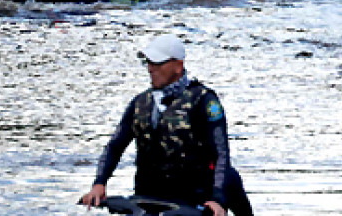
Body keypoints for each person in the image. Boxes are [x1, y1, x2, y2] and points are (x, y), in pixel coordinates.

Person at [80, 35, 252, 216]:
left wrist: (218, 199)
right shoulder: (140, 103)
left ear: (178, 65)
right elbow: (115, 146)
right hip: (149, 196)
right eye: (148, 63)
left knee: (232, 181)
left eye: (157, 63)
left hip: (196, 197)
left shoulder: (204, 101)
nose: (150, 69)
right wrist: (99, 183)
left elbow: (221, 154)